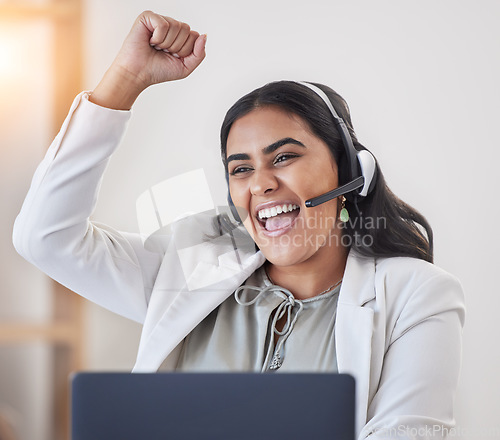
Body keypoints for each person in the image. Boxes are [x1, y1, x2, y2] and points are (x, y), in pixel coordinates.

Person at [13, 10, 465, 439]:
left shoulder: (417, 294)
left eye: (284, 157)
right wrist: (126, 81)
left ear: (348, 170)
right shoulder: (186, 269)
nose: (262, 184)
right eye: (241, 168)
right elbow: (46, 237)